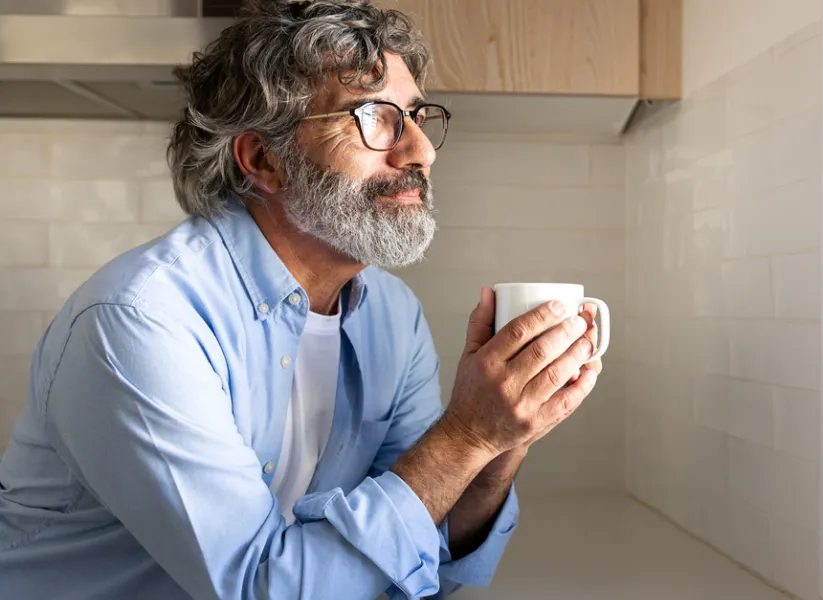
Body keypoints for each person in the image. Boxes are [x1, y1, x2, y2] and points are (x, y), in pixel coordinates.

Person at [0, 1, 603, 598]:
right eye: (374, 116)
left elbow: (421, 565)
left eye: (417, 116)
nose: (422, 150)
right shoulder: (143, 322)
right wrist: (468, 435)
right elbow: (263, 588)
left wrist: (503, 436)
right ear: (264, 159)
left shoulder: (390, 315)